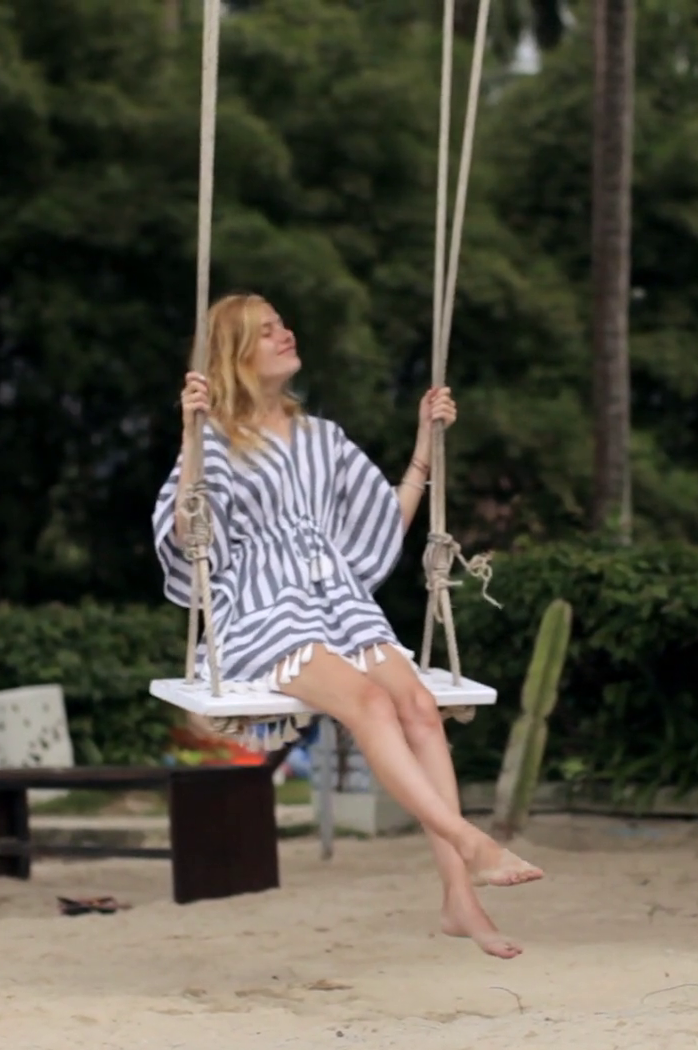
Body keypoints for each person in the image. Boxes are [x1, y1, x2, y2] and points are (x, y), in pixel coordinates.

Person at [153, 292, 542, 959]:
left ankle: (459, 898)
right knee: (368, 703)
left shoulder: (323, 439)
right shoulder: (213, 438)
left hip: (339, 602)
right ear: (236, 354)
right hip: (265, 608)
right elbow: (190, 536)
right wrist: (191, 438)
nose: (286, 333)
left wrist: (424, 447)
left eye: (283, 324)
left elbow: (381, 520)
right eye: (267, 331)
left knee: (418, 706)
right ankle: (467, 839)